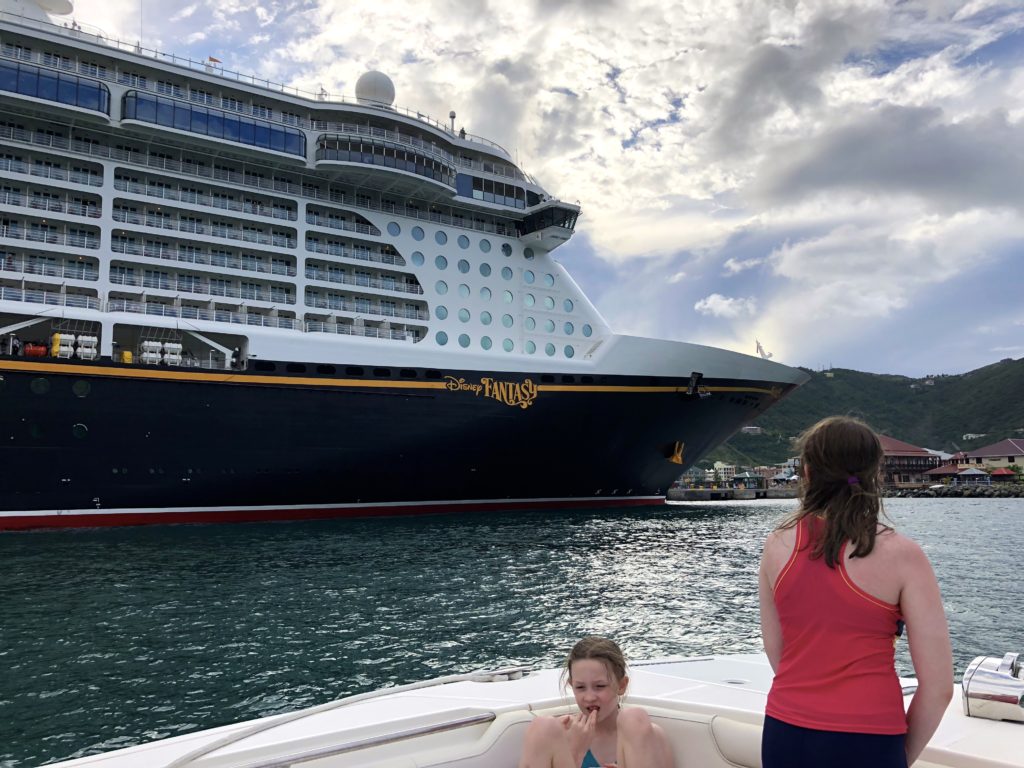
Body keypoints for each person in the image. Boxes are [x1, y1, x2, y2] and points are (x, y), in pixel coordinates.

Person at [759, 416, 953, 768]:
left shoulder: (777, 545)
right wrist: (899, 755)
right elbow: (939, 687)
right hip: (869, 736)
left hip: (786, 730)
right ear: (875, 474)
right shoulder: (903, 556)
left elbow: (777, 653)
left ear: (806, 472)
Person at [518, 635, 674, 768]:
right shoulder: (558, 735)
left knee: (634, 717)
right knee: (542, 725)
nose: (589, 697)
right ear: (571, 686)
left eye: (600, 686)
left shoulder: (645, 734)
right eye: (580, 687)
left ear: (621, 686)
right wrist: (575, 752)